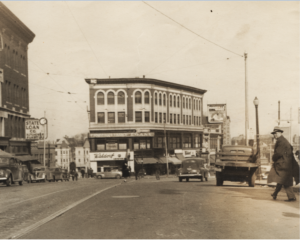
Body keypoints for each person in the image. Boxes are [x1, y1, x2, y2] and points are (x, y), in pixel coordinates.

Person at [267, 127, 297, 201]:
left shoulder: (281, 141)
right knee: (281, 179)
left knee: (283, 179)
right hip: (285, 163)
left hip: (283, 164)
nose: (275, 135)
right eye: (274, 134)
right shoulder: (283, 140)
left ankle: (291, 197)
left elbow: (279, 153)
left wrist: (273, 158)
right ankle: (275, 193)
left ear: (280, 133)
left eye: (276, 133)